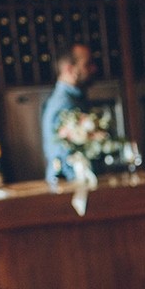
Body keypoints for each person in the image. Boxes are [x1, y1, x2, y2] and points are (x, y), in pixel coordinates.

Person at [41, 42, 97, 183]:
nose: (93, 68)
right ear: (69, 69)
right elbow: (64, 156)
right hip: (71, 187)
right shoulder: (64, 104)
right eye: (87, 64)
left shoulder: (73, 98)